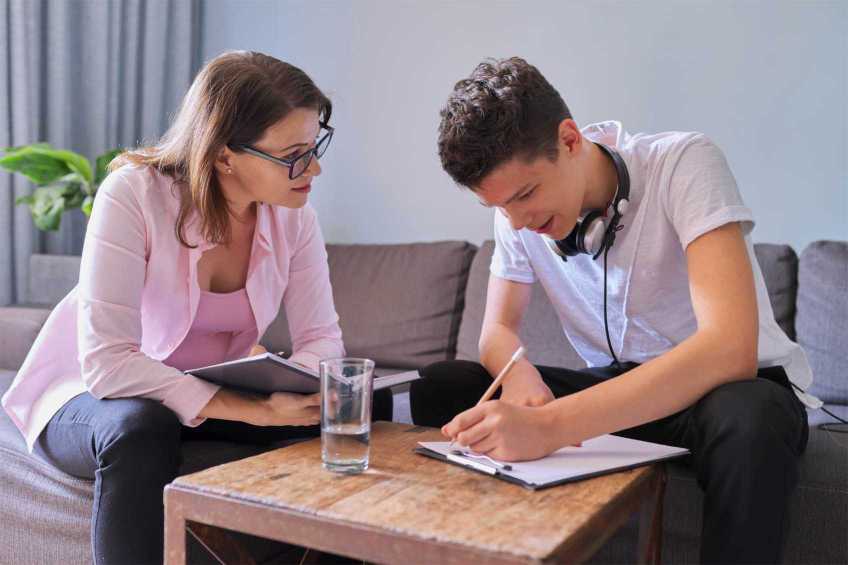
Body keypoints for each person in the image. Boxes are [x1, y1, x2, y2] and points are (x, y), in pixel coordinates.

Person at [410, 57, 816, 564]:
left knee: (750, 415)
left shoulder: (684, 161)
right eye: (499, 208)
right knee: (444, 386)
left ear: (571, 139)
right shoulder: (516, 217)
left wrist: (551, 426)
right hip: (625, 391)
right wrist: (519, 379)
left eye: (526, 195)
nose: (517, 222)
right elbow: (496, 329)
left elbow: (729, 350)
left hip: (726, 392)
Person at [2, 51, 390, 565]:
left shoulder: (295, 217)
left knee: (361, 408)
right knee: (142, 427)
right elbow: (110, 365)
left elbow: (321, 338)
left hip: (198, 388)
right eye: (295, 154)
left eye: (315, 144)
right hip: (90, 392)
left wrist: (301, 391)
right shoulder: (133, 196)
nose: (313, 167)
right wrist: (256, 411)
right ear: (225, 155)